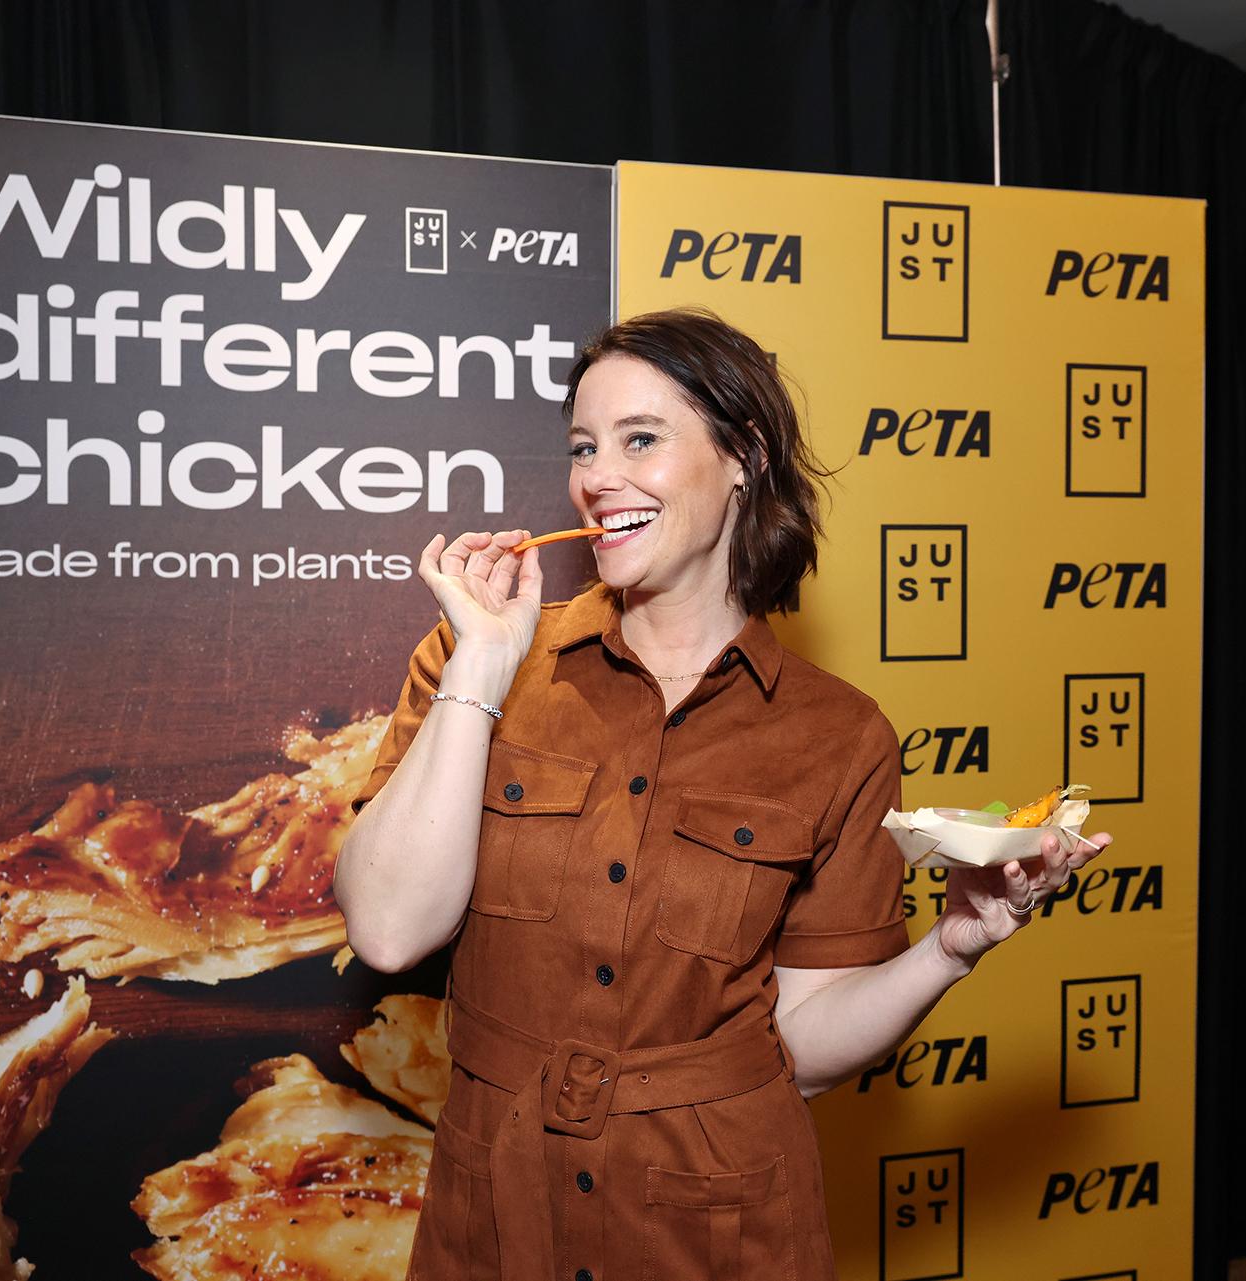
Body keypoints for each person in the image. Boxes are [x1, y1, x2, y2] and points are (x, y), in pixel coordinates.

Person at [333, 306, 1113, 1281]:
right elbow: (388, 932)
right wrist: (481, 671)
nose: (597, 476)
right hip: (495, 1214)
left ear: (743, 456)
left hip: (721, 1228)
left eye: (640, 440)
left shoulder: (840, 735)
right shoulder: (477, 656)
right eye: (583, 446)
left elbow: (805, 1046)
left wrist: (950, 950)